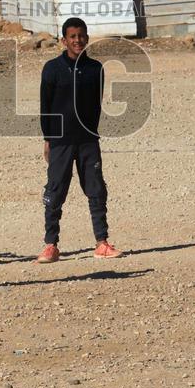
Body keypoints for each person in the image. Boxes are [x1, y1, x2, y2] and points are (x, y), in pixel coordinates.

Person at [37, 17, 122, 263]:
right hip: (60, 141)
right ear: (64, 40)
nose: (77, 40)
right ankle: (50, 245)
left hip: (87, 140)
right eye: (72, 37)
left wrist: (91, 134)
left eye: (81, 36)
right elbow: (46, 106)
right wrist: (48, 139)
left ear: (87, 38)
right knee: (55, 190)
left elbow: (96, 104)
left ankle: (102, 242)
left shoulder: (96, 68)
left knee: (96, 190)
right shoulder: (52, 68)